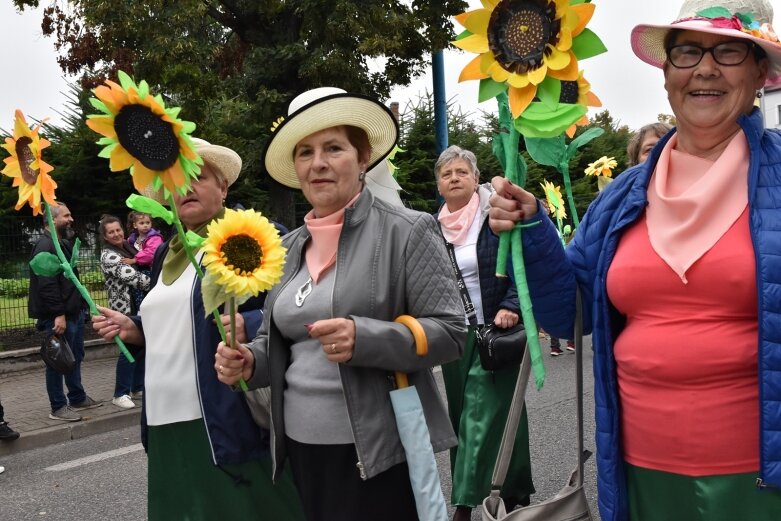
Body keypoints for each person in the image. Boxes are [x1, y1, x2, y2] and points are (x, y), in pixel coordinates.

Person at [488, 0, 781, 519]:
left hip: (759, 475)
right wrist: (533, 228)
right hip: (642, 466)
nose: (706, 69)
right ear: (667, 75)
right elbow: (571, 313)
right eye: (687, 52)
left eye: (729, 52)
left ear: (760, 72)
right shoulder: (624, 195)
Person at [215, 87, 467, 521]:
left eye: (334, 147)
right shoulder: (286, 247)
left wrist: (365, 337)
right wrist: (248, 362)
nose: (318, 163)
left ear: (363, 156)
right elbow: (274, 341)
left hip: (377, 448)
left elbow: (452, 332)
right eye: (306, 152)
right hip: (301, 447)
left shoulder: (408, 231)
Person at [92, 138, 304, 521]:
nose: (185, 187)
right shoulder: (163, 253)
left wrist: (249, 323)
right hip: (162, 418)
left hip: (225, 418)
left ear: (222, 186)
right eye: (175, 179)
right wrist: (134, 329)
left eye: (198, 177)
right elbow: (174, 322)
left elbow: (295, 307)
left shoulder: (252, 235)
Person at [433, 145, 534, 521]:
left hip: (495, 330)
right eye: (447, 174)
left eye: (462, 171)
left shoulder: (495, 215)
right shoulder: (430, 227)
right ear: (439, 185)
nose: (455, 178)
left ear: (476, 178)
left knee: (481, 412)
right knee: (469, 417)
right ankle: (515, 489)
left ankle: (463, 504)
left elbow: (519, 260)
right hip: (454, 335)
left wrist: (511, 303)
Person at [29, 202, 102, 422]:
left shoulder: (62, 243)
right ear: (51, 220)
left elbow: (71, 280)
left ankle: (77, 396)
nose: (71, 219)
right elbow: (47, 284)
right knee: (57, 360)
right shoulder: (45, 246)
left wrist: (81, 307)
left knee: (74, 357)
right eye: (66, 215)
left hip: (74, 313)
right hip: (59, 316)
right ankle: (58, 407)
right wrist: (57, 314)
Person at [98, 214, 150, 409]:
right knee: (128, 349)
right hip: (124, 309)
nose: (116, 234)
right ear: (105, 236)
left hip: (140, 306)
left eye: (118, 229)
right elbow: (136, 279)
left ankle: (137, 387)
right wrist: (157, 281)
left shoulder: (130, 248)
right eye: (111, 232)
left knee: (142, 346)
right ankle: (120, 393)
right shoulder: (109, 256)